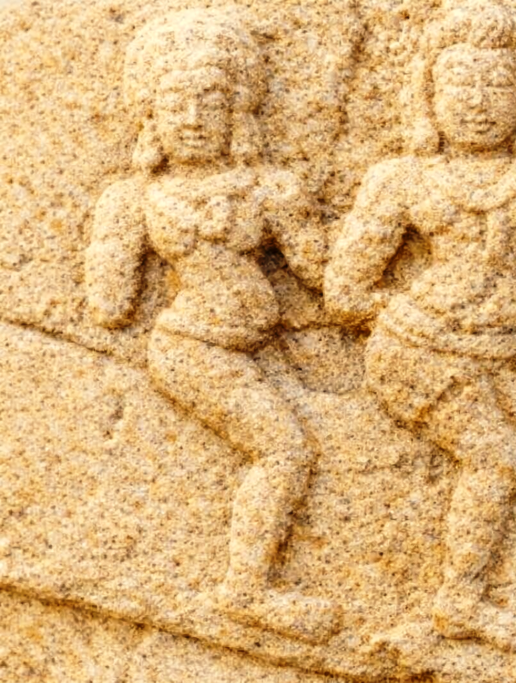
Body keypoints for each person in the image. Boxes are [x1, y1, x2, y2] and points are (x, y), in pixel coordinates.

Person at [326, 0, 516, 651]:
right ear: (429, 95)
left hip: (502, 361)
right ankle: (459, 602)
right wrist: (420, 319)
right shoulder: (399, 179)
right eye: (459, 84)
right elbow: (346, 291)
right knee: (495, 457)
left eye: (496, 85)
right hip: (418, 349)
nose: (477, 103)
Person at [85, 9, 339, 644]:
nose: (194, 119)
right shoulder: (135, 198)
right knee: (284, 451)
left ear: (237, 113)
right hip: (192, 347)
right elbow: (110, 305)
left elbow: (321, 271)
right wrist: (114, 243)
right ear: (152, 115)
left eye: (210, 103)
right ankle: (245, 590)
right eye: (177, 104)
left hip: (254, 345)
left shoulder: (271, 187)